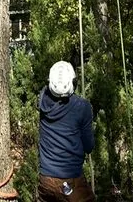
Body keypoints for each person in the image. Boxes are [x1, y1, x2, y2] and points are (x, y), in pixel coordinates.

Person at [38, 61, 95, 202]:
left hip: (45, 180)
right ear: (72, 84)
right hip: (70, 181)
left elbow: (47, 89)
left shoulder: (42, 102)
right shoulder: (82, 107)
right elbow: (89, 146)